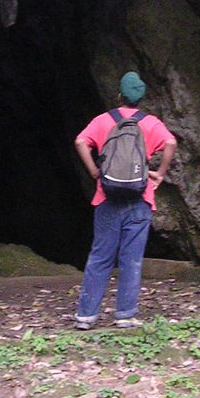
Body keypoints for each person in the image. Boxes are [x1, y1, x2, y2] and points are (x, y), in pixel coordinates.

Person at [73, 71, 176, 329]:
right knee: (131, 259)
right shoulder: (151, 123)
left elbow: (80, 141)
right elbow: (171, 143)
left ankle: (86, 315)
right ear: (141, 99)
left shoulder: (103, 121)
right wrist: (160, 174)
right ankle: (125, 315)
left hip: (106, 197)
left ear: (119, 95)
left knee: (100, 256)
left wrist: (95, 171)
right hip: (140, 198)